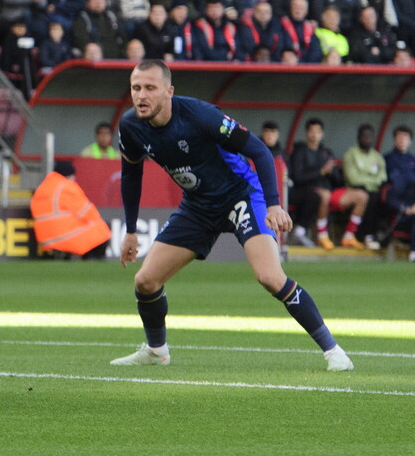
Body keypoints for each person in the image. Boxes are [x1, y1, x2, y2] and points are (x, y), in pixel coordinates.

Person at [113, 60, 353, 371]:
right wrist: (131, 230)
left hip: (241, 196)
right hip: (198, 206)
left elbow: (260, 151)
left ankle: (334, 351)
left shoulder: (201, 116)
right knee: (145, 281)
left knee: (270, 278)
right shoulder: (131, 125)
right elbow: (131, 175)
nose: (141, 95)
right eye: (136, 88)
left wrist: (273, 204)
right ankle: (156, 350)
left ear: (169, 91)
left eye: (150, 88)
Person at [288, 118, 368, 250]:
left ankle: (349, 236)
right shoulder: (299, 151)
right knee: (324, 195)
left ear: (322, 134)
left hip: (329, 192)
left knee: (361, 196)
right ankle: (322, 236)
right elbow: (298, 178)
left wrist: (332, 171)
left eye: (317, 132)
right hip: (309, 191)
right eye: (312, 131)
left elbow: (337, 181)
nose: (314, 135)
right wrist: (321, 172)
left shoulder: (326, 152)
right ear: (307, 133)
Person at [31, 160, 111, 257]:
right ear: (69, 175)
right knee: (102, 228)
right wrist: (98, 220)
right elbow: (87, 212)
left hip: (45, 240)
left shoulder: (42, 187)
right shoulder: (66, 186)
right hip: (64, 237)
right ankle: (93, 260)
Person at [342, 123, 387, 246]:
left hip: (374, 191)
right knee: (366, 197)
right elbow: (353, 178)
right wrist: (371, 181)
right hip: (354, 190)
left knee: (381, 199)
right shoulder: (351, 154)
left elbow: (382, 177)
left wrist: (368, 181)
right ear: (358, 137)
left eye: (369, 136)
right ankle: (361, 235)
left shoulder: (377, 156)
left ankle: (374, 236)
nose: (367, 139)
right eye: (364, 136)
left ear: (373, 138)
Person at [383, 125, 415, 261]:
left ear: (410, 141)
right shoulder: (388, 159)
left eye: (405, 137)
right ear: (394, 139)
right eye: (400, 137)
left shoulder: (412, 159)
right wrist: (406, 209)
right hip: (400, 211)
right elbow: (390, 196)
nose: (402, 140)